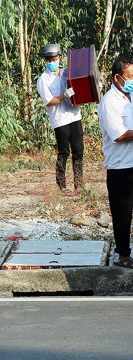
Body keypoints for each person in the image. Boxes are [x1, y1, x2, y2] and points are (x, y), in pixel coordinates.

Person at [97, 55, 133, 269]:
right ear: (117, 77)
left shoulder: (131, 96)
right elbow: (118, 135)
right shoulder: (109, 101)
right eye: (130, 76)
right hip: (120, 167)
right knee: (122, 214)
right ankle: (123, 256)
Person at [36, 43, 84, 194]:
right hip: (60, 120)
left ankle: (79, 184)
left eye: (54, 59)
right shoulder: (43, 80)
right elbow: (49, 101)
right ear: (45, 60)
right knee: (64, 151)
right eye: (48, 60)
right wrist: (64, 96)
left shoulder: (67, 72)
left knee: (78, 150)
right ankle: (62, 185)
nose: (52, 62)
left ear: (59, 58)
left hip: (74, 115)